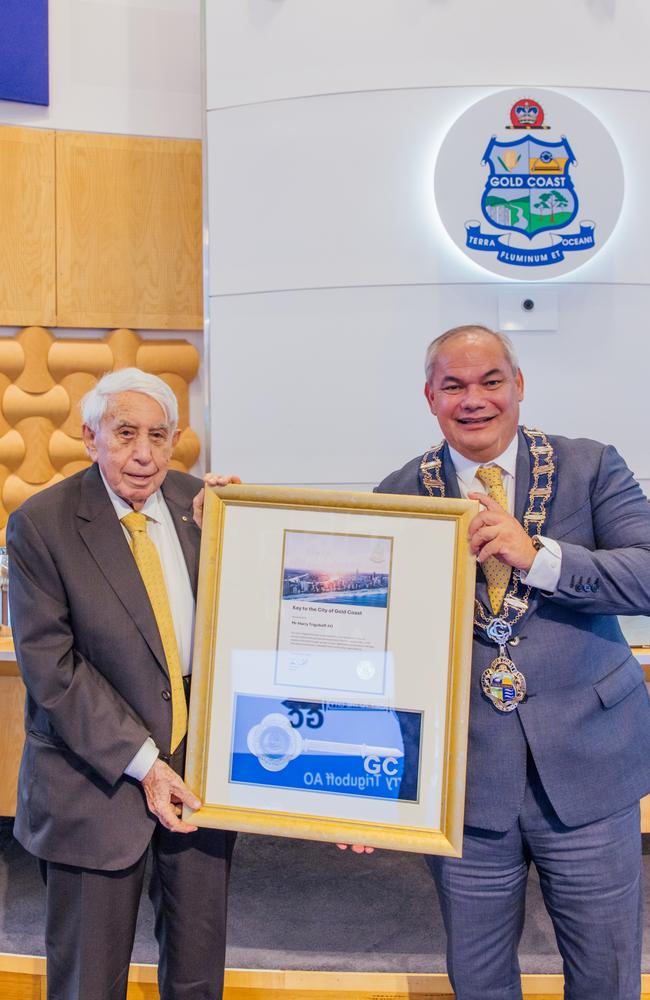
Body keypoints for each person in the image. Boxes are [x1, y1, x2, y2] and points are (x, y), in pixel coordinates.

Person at [374, 325, 650, 1000]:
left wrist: (539, 557)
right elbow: (380, 647)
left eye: (491, 381)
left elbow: (646, 575)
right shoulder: (398, 491)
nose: (474, 399)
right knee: (479, 978)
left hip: (590, 771)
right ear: (430, 397)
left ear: (518, 386)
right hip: (466, 784)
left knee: (607, 975)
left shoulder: (589, 466)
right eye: (454, 386)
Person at [7, 368, 239, 1000]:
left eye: (159, 436)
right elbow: (53, 674)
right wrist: (145, 765)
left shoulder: (205, 507)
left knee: (198, 979)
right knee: (89, 983)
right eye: (126, 433)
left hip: (199, 785)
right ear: (89, 437)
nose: (143, 453)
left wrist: (248, 527)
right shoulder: (41, 525)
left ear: (176, 441)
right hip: (93, 785)